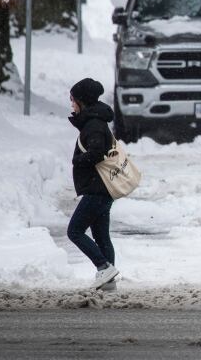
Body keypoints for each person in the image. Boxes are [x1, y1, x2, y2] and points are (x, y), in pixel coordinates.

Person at [67, 78, 119, 291]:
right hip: (101, 188)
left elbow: (96, 153)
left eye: (73, 100)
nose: (71, 104)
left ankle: (103, 267)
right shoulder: (94, 120)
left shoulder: (94, 124)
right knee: (101, 235)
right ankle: (108, 280)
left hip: (97, 189)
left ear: (82, 101)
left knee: (75, 231)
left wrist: (77, 160)